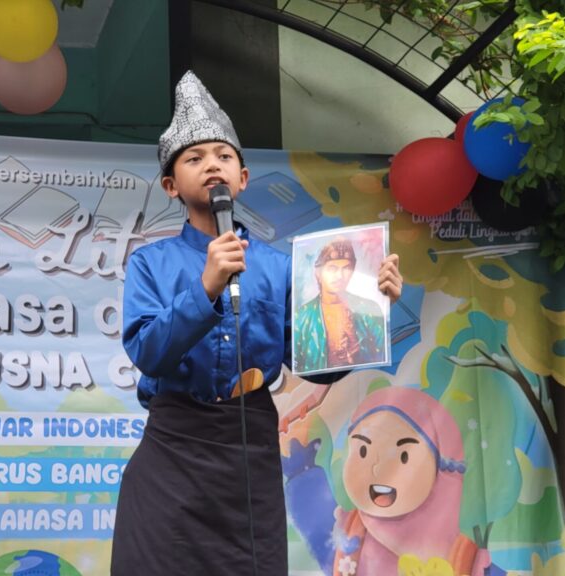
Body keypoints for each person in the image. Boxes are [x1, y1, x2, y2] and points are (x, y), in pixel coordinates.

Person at [110, 71, 403, 575]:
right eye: (194, 158)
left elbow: (316, 365)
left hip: (248, 450)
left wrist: (369, 310)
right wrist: (205, 288)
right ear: (170, 185)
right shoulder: (150, 263)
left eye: (223, 156)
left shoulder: (282, 267)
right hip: (174, 446)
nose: (212, 165)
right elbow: (149, 353)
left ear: (243, 178)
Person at [282, 386, 502, 576]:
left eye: (404, 456)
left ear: (442, 468)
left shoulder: (464, 558)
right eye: (363, 451)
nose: (378, 468)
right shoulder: (351, 531)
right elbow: (321, 534)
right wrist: (302, 473)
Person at [294, 237, 387, 373]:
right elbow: (297, 367)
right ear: (318, 273)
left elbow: (381, 358)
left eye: (346, 268)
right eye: (332, 268)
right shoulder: (301, 317)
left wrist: (356, 354)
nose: (339, 276)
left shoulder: (369, 309)